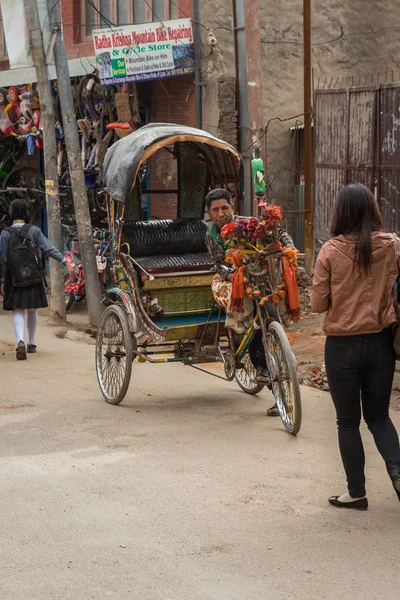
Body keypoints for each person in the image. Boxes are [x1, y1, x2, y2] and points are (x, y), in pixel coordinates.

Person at [311, 183, 400, 510]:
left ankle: (356, 493)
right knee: (378, 417)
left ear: (340, 212)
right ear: (373, 210)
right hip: (381, 345)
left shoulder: (330, 251)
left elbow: (318, 303)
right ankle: (398, 472)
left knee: (347, 421)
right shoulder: (392, 246)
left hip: (342, 348)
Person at [205, 188, 295, 417]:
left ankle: (276, 385)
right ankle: (258, 361)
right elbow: (218, 264)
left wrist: (290, 249)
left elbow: (279, 235)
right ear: (209, 213)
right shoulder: (211, 236)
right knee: (248, 323)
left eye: (225, 207)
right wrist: (231, 275)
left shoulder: (250, 224)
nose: (221, 213)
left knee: (271, 320)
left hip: (260, 276)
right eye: (215, 210)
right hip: (231, 280)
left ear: (232, 208)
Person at [0, 198, 75, 360]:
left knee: (18, 309)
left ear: (11, 213)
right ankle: (32, 343)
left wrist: (2, 280)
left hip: (14, 277)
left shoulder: (5, 233)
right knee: (32, 308)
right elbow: (48, 249)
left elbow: (4, 260)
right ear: (26, 213)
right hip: (33, 275)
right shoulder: (34, 230)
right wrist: (66, 262)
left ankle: (20, 340)